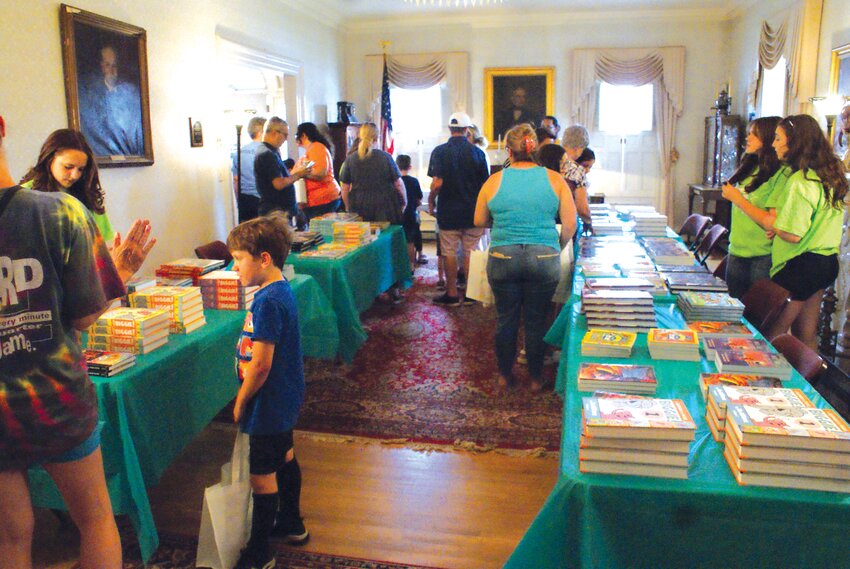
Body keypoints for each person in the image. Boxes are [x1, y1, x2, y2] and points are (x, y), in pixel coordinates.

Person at [0, 113, 152, 568]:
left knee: (10, 536)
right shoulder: (61, 212)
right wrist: (121, 273)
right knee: (95, 518)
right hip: (56, 399)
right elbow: (86, 316)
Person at [227, 213, 309, 569]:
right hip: (284, 397)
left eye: (239, 259)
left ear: (264, 259)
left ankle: (259, 551)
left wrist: (242, 399)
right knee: (285, 455)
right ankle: (291, 522)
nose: (234, 268)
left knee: (262, 476)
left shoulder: (268, 302)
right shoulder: (275, 291)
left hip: (268, 401)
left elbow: (261, 365)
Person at [474, 124, 577, 391]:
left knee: (506, 318)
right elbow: (570, 225)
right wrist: (558, 245)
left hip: (502, 255)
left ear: (509, 150)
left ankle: (504, 376)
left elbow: (478, 219)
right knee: (536, 320)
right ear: (535, 150)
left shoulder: (494, 180)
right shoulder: (555, 179)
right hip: (544, 256)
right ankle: (534, 378)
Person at [20, 128, 156, 283]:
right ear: (49, 158)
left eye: (80, 169)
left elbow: (103, 249)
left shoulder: (88, 195)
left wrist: (121, 263)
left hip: (86, 284)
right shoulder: (25, 197)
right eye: (68, 167)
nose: (74, 175)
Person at [762, 114, 848, 348]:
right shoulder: (829, 175)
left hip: (800, 265)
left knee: (770, 334)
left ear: (795, 142)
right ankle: (810, 381)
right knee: (805, 333)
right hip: (825, 261)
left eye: (778, 139)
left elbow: (793, 234)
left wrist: (775, 227)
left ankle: (764, 382)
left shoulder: (800, 182)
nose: (774, 144)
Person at [428, 112, 490, 306]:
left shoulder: (439, 151)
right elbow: (485, 186)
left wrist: (431, 201)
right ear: (466, 129)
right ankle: (471, 294)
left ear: (450, 129)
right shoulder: (478, 153)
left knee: (449, 251)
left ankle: (452, 293)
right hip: (473, 212)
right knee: (470, 251)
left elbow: (437, 184)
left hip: (449, 210)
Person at [719, 116, 783, 299]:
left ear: (769, 139)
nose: (747, 138)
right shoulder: (749, 168)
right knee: (734, 308)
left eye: (754, 135)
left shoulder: (776, 175)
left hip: (761, 255)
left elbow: (772, 221)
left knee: (755, 315)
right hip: (736, 249)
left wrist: (738, 199)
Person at [78, 45, 144, 156]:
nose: (112, 70)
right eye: (107, 65)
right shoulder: (90, 96)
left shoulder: (131, 92)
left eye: (114, 65)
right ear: (101, 67)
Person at [339, 123, 406, 223]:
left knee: (363, 236)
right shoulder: (385, 157)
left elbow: (344, 188)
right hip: (385, 205)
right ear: (377, 138)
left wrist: (348, 208)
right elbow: (399, 184)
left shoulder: (351, 159)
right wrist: (404, 202)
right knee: (385, 235)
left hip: (359, 205)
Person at [254, 117, 311, 221]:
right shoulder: (267, 154)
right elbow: (278, 184)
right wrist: (298, 175)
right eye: (285, 135)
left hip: (279, 211)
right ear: (274, 133)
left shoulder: (270, 151)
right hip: (275, 213)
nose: (286, 139)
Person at [294, 122, 341, 220]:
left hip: (322, 200)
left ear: (303, 135)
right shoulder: (311, 150)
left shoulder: (317, 147)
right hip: (315, 202)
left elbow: (320, 173)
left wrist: (300, 173)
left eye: (296, 135)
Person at [232, 116, 266, 223]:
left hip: (245, 200)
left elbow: (236, 180)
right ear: (262, 132)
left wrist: (239, 202)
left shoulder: (239, 152)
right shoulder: (267, 151)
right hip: (263, 200)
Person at [560, 125, 592, 236]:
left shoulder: (547, 162)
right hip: (567, 223)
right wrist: (588, 222)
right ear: (579, 147)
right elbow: (582, 208)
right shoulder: (577, 170)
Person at [396, 154, 424, 271]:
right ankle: (411, 266)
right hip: (411, 214)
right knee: (410, 241)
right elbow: (419, 199)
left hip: (398, 214)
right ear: (410, 167)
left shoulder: (394, 182)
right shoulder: (414, 181)